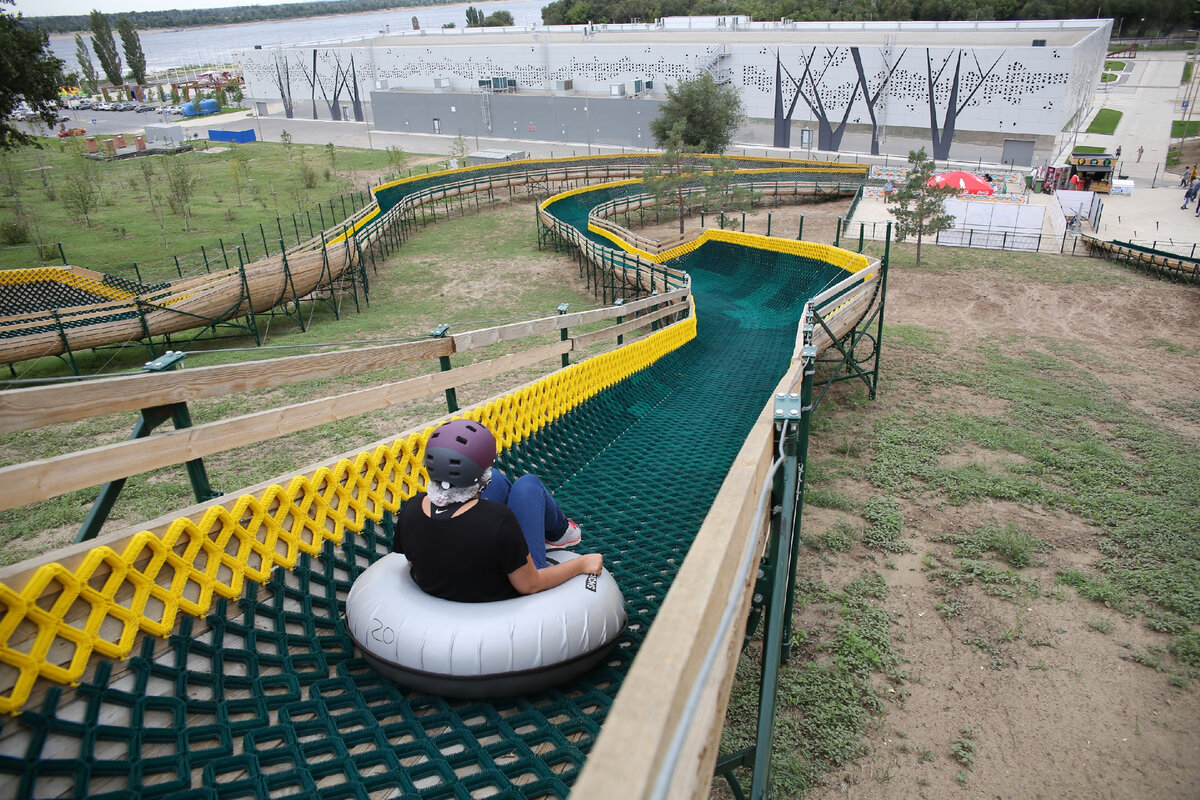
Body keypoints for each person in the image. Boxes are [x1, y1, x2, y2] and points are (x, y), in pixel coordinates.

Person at [393, 418, 602, 603]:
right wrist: (581, 563)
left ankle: (559, 531)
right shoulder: (498, 520)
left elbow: (412, 561)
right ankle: (561, 532)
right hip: (507, 587)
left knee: (498, 481)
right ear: (480, 474)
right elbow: (530, 584)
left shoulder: (412, 508)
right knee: (527, 485)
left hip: (452, 573)